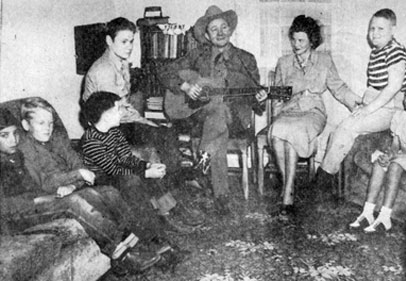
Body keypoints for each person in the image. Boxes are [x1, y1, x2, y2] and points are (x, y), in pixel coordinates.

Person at [1, 104, 161, 275]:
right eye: (4, 135)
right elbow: (10, 203)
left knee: (105, 192)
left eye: (14, 134)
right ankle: (120, 253)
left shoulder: (15, 155)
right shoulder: (23, 153)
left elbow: (47, 180)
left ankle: (135, 241)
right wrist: (39, 199)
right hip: (17, 217)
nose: (13, 140)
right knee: (74, 202)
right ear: (27, 125)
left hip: (46, 198)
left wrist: (66, 187)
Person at [157, 5, 267, 214]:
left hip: (236, 120)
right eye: (213, 29)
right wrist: (186, 86)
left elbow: (255, 96)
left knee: (219, 113)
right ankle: (220, 194)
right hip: (200, 116)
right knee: (216, 115)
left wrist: (260, 98)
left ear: (230, 29)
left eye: (223, 27)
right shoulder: (197, 55)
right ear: (207, 34)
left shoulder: (246, 59)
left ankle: (205, 170)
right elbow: (164, 71)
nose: (219, 33)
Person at [268, 15, 361, 214]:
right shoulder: (284, 63)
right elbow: (278, 92)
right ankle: (289, 186)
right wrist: (270, 99)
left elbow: (338, 87)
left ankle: (287, 194)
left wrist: (356, 103)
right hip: (290, 109)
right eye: (293, 39)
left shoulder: (324, 61)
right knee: (277, 132)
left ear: (312, 40)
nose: (296, 44)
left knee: (290, 133)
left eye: (301, 40)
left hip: (312, 111)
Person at [80, 91, 205, 233]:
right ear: (106, 115)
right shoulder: (90, 140)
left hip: (119, 173)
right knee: (133, 179)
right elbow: (111, 169)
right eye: (119, 109)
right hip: (103, 179)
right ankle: (156, 223)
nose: (122, 112)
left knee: (147, 174)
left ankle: (171, 212)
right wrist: (145, 172)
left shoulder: (114, 132)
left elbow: (127, 158)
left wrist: (148, 166)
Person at [320, 8, 406, 176]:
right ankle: (326, 178)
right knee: (340, 130)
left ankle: (322, 181)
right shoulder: (377, 52)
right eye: (372, 28)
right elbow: (374, 89)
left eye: (380, 29)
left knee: (346, 128)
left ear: (393, 30)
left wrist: (367, 110)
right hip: (378, 105)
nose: (375, 33)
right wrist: (363, 104)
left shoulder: (395, 51)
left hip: (392, 108)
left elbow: (393, 88)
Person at [349, 78, 406, 233]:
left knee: (395, 166)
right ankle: (368, 212)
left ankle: (385, 216)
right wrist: (389, 155)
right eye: (405, 96)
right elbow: (395, 145)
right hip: (402, 155)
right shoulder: (400, 116)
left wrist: (396, 159)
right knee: (379, 162)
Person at [82, 17, 156, 127]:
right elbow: (114, 110)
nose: (129, 47)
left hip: (118, 119)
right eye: (124, 42)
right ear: (109, 41)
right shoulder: (104, 70)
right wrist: (144, 121)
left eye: (131, 42)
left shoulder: (122, 62)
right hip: (106, 125)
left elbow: (125, 101)